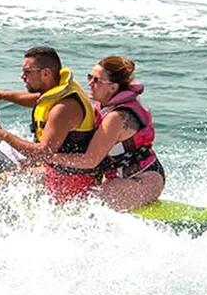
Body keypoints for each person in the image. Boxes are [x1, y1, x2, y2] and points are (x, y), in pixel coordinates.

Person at [44, 55, 165, 210]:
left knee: (90, 205)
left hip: (143, 179)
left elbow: (90, 160)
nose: (90, 83)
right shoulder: (102, 107)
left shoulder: (117, 117)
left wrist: (49, 156)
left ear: (113, 88)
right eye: (90, 77)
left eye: (97, 80)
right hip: (118, 177)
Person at [0, 47, 98, 202]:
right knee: (14, 164)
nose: (22, 76)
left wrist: (4, 135)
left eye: (27, 72)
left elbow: (43, 153)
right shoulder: (57, 91)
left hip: (71, 180)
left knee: (2, 182)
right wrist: (1, 95)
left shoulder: (63, 109)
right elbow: (35, 99)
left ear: (46, 74)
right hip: (56, 169)